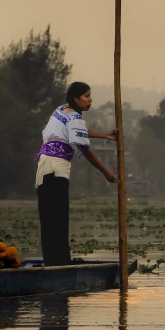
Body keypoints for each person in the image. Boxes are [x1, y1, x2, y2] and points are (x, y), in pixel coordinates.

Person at [35, 81, 118, 266]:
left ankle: (53, 261)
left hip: (44, 169)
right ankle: (59, 264)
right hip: (56, 170)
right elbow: (84, 148)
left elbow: (80, 132)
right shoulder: (74, 118)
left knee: (49, 218)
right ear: (75, 98)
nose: (90, 100)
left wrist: (106, 135)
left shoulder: (62, 110)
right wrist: (106, 171)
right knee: (58, 217)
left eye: (90, 96)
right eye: (86, 96)